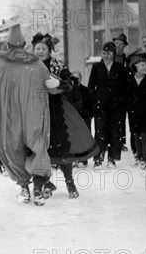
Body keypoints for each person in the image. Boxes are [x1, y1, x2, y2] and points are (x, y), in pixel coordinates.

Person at [0, 25, 54, 205]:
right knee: (38, 143)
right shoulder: (37, 64)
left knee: (12, 146)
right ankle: (39, 186)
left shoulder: (1, 64)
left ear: (8, 45)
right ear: (25, 44)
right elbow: (49, 83)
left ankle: (24, 187)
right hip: (34, 110)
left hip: (10, 113)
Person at [32, 33, 99, 198]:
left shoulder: (58, 66)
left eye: (43, 48)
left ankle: (70, 182)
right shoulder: (29, 66)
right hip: (35, 110)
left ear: (49, 50)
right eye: (37, 48)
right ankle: (40, 183)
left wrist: (59, 83)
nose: (40, 51)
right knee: (38, 148)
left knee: (63, 147)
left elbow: (69, 85)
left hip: (56, 110)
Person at [87, 42, 129, 168]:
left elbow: (125, 87)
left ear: (114, 54)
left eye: (109, 53)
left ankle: (112, 158)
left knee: (115, 132)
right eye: (104, 53)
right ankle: (98, 158)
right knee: (100, 132)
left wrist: (121, 101)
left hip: (116, 106)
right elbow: (91, 86)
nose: (107, 56)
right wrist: (95, 100)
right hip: (101, 105)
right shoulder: (97, 67)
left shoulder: (120, 67)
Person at [127, 57, 146, 170]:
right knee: (136, 135)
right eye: (142, 65)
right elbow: (127, 97)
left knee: (144, 135)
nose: (145, 67)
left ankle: (145, 160)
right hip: (134, 113)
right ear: (135, 67)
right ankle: (139, 157)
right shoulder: (130, 82)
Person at [70, 71, 94, 167]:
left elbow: (90, 104)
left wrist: (87, 115)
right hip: (72, 118)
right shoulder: (68, 90)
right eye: (73, 78)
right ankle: (74, 159)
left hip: (84, 118)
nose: (76, 80)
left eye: (77, 78)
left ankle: (83, 159)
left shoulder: (85, 90)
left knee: (84, 139)